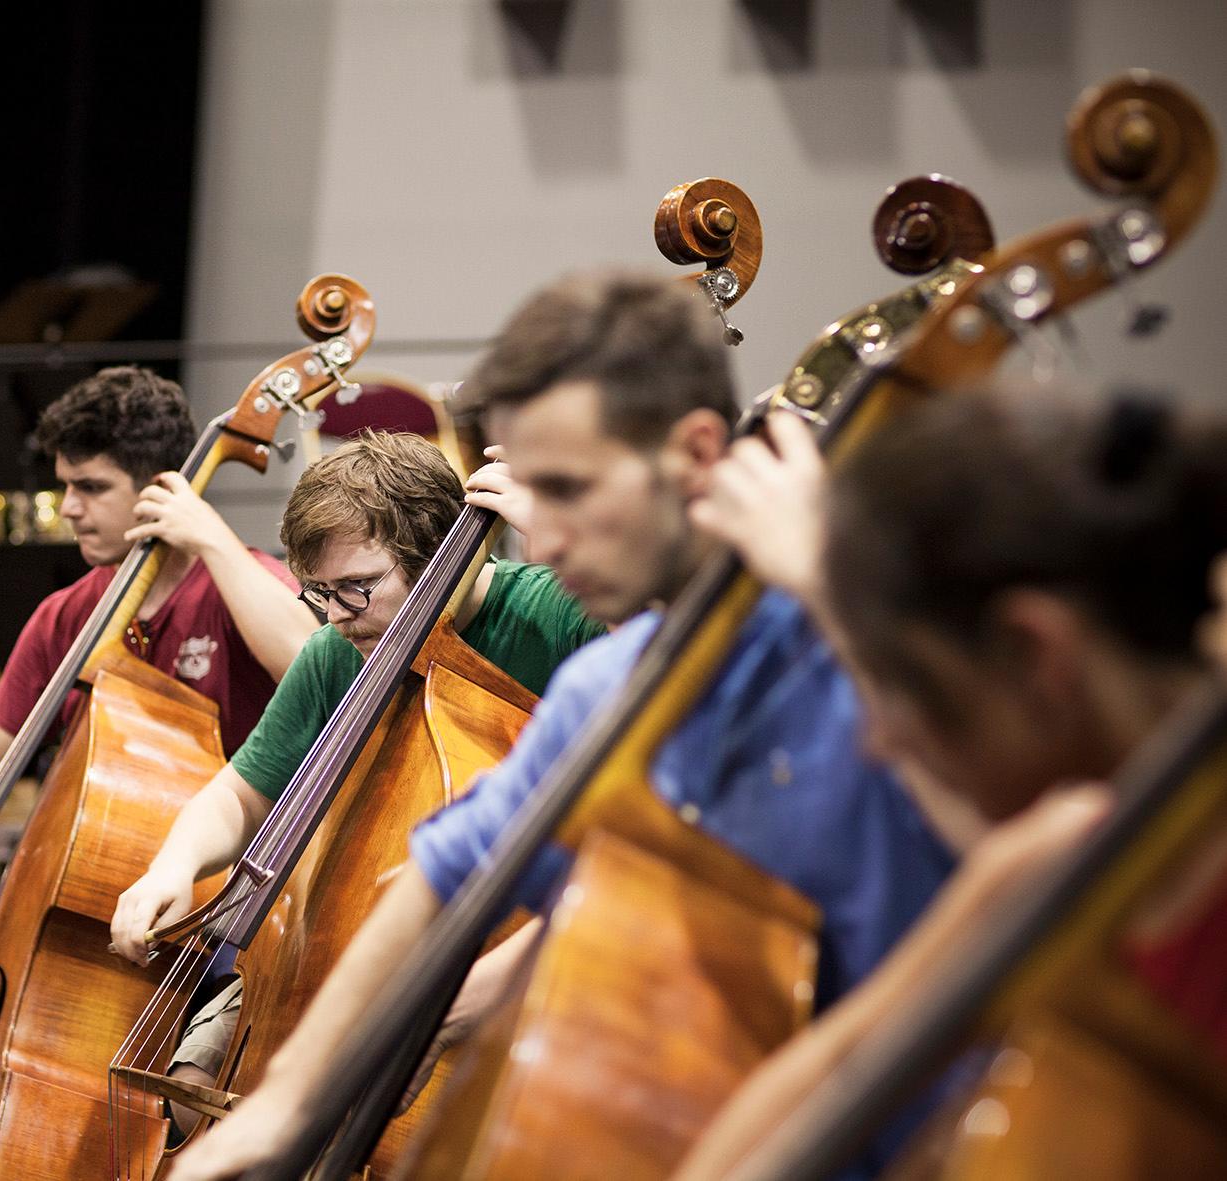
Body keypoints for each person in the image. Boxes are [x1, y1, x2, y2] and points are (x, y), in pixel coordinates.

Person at [166, 270, 954, 1181]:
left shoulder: (883, 641)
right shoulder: (609, 682)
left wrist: (828, 592)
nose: (542, 540)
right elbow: (444, 870)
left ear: (698, 452)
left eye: (570, 490)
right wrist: (291, 1100)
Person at [674, 381, 1227, 1179]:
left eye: (897, 685)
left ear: (1035, 654)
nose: (878, 738)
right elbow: (835, 1071)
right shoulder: (1054, 860)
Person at [107, 429, 604, 1125]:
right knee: (195, 1086)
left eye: (357, 589)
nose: (337, 617)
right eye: (320, 594)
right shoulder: (337, 649)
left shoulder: (564, 617)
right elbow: (243, 791)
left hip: (518, 952)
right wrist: (173, 865)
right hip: (340, 946)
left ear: (444, 556)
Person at [0, 365, 318, 910]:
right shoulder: (64, 615)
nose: (67, 507)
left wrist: (215, 541)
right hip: (91, 886)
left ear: (162, 488)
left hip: (232, 891)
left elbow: (316, 670)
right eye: (65, 485)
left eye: (91, 487)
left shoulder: (240, 585)